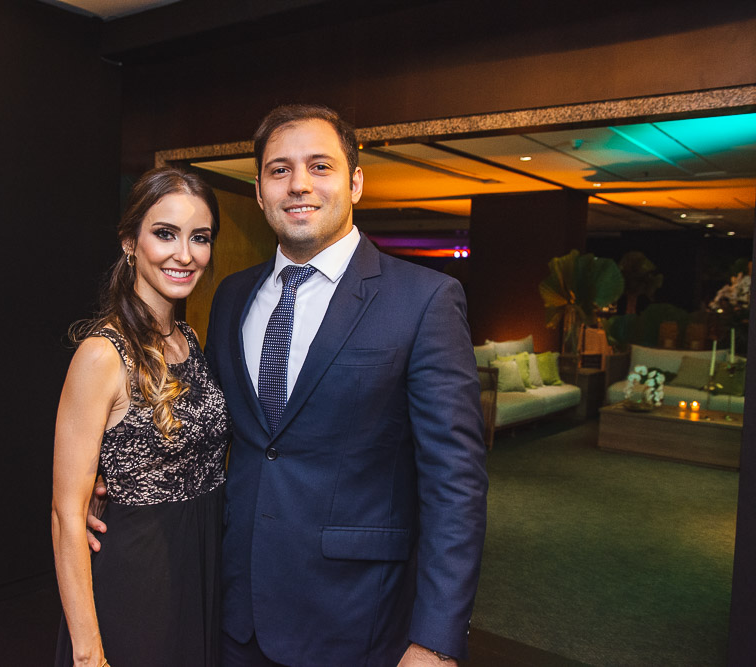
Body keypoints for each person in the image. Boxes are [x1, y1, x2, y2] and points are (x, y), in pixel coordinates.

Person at [91, 104, 488, 666]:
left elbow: (456, 484)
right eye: (280, 170)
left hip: (357, 622)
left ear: (355, 182)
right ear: (259, 192)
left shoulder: (424, 300)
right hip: (233, 614)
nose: (299, 184)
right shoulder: (230, 296)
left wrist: (436, 641)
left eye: (320, 166)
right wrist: (111, 475)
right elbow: (206, 424)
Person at [52, 167, 231, 667]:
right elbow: (66, 515)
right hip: (138, 582)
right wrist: (88, 654)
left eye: (200, 237)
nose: (185, 254)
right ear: (130, 242)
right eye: (165, 234)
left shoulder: (188, 339)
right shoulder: (102, 354)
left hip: (196, 571)